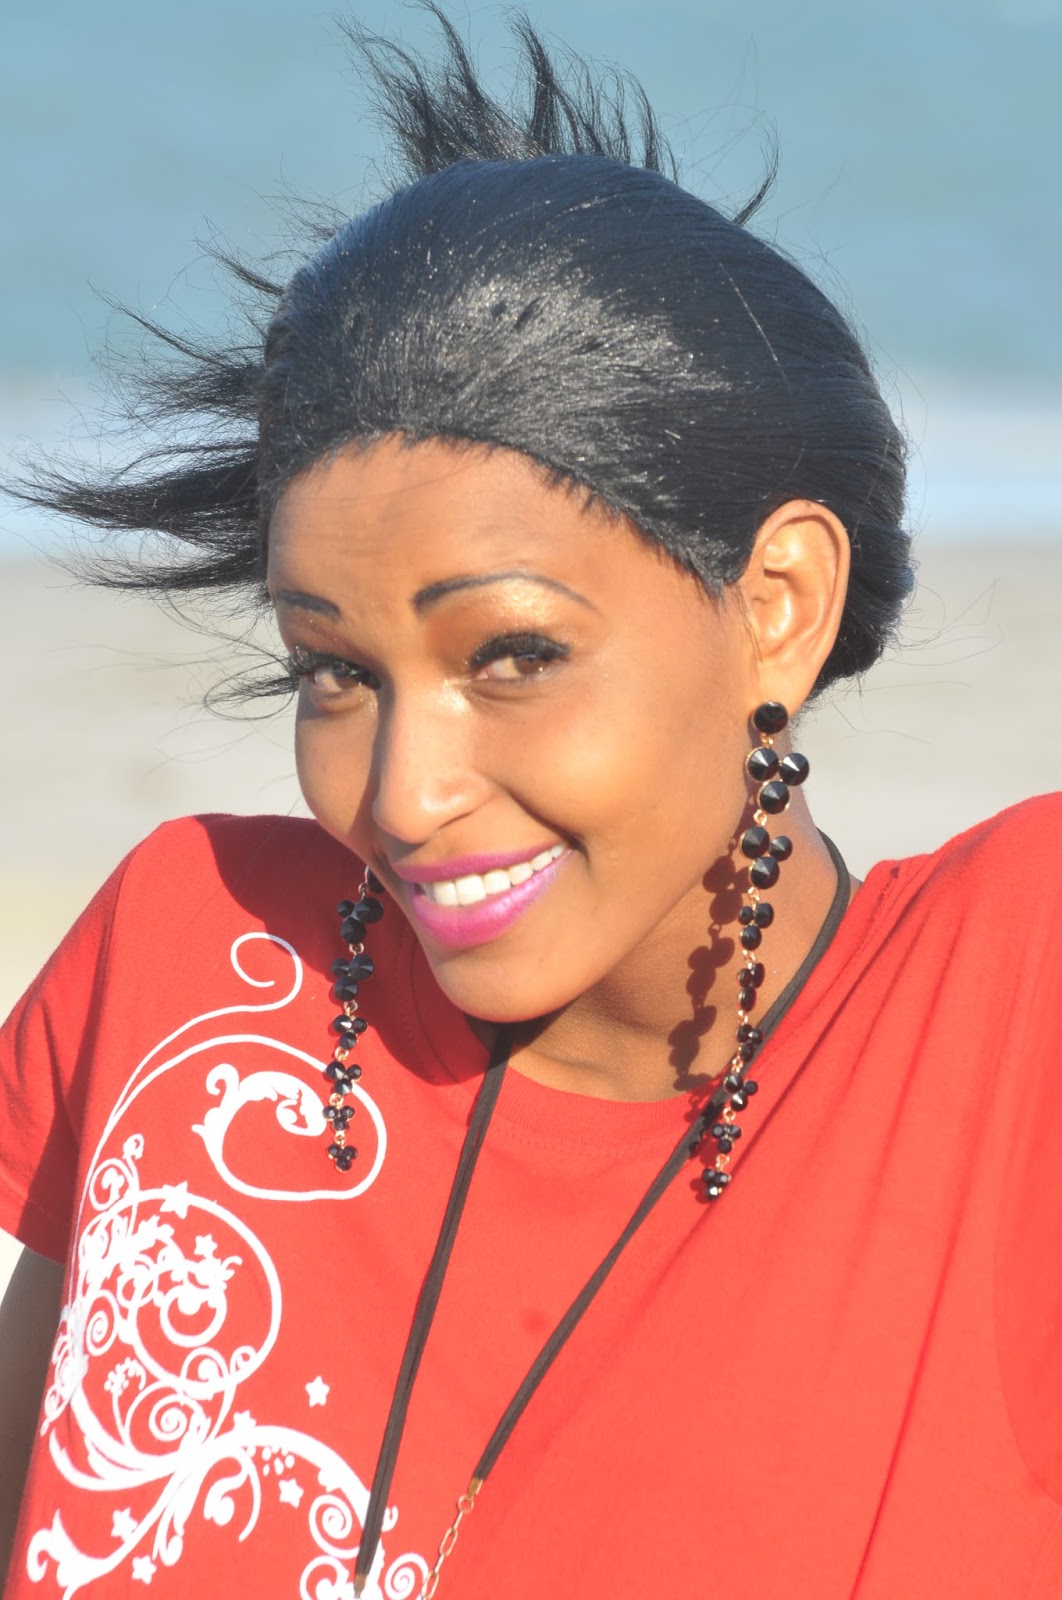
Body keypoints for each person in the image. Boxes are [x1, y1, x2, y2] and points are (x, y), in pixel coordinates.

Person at [1, 11, 1060, 1599]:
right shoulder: (194, 961)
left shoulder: (1012, 1004)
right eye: (334, 670)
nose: (402, 797)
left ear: (775, 606)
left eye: (511, 656)